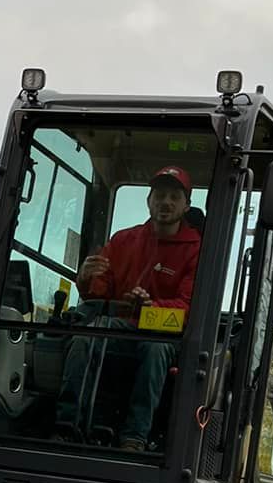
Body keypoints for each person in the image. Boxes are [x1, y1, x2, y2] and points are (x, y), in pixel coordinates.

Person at [58, 166, 202, 450]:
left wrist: (151, 308)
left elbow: (188, 308)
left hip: (162, 335)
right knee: (86, 336)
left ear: (186, 205)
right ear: (149, 201)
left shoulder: (196, 250)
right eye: (159, 195)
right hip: (119, 327)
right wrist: (85, 278)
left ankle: (134, 437)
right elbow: (98, 294)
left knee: (155, 348)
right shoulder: (123, 240)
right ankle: (67, 427)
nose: (165, 202)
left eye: (174, 196)